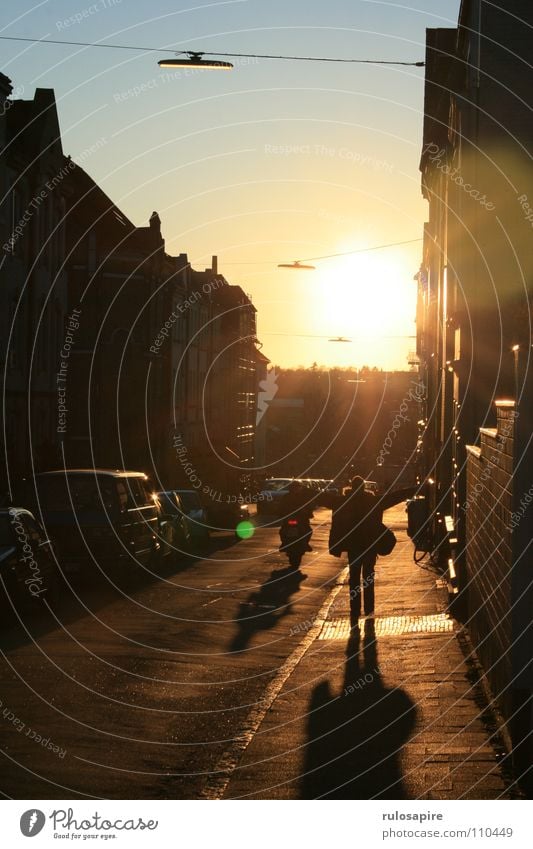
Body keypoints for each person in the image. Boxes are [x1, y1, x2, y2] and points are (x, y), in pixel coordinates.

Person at [329, 476, 383, 624]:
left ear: (352, 486)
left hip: (353, 545)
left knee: (354, 578)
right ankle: (369, 609)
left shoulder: (345, 501)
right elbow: (377, 521)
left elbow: (338, 521)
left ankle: (354, 610)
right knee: (368, 577)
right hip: (369, 545)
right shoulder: (371, 501)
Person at [280, 481, 315, 551]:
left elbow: (309, 507)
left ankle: (305, 543)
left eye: (297, 487)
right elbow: (281, 507)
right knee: (283, 530)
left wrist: (309, 513)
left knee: (308, 530)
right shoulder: (286, 497)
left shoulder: (304, 497)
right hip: (289, 518)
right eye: (294, 487)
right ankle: (284, 543)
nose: (295, 489)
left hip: (301, 519)